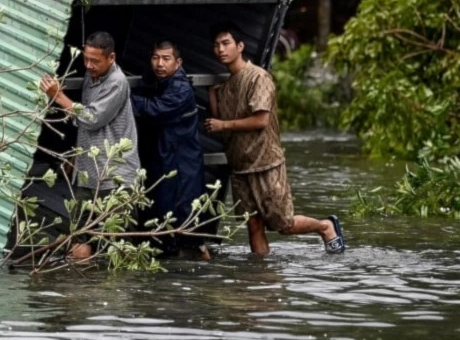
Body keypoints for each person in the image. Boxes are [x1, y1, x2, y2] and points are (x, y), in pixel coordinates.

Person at [203, 22, 345, 255]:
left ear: (240, 46)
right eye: (216, 45)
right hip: (240, 167)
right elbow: (221, 125)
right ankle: (261, 273)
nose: (221, 49)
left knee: (283, 224)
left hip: (265, 162)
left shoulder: (258, 77)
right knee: (253, 226)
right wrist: (213, 96)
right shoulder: (226, 86)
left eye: (226, 43)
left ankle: (325, 226)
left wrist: (223, 124)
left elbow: (260, 120)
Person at [39, 31, 141, 258]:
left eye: (95, 61)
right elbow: (85, 124)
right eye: (85, 59)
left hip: (115, 177)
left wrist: (58, 96)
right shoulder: (90, 76)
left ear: (111, 58)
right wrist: (77, 155)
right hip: (88, 174)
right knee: (80, 238)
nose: (88, 65)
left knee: (119, 247)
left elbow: (92, 118)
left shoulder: (117, 82)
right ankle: (82, 280)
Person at [131, 41, 209, 259]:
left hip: (181, 163)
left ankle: (197, 258)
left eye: (166, 59)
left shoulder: (180, 88)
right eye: (155, 58)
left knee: (185, 221)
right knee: (164, 215)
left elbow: (154, 109)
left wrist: (125, 97)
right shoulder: (157, 82)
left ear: (178, 62)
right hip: (166, 160)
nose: (160, 64)